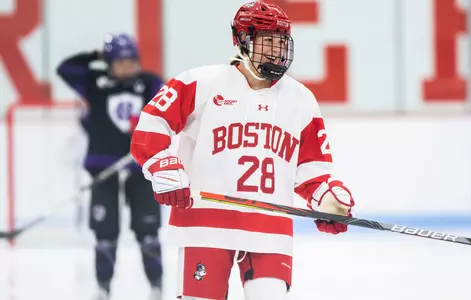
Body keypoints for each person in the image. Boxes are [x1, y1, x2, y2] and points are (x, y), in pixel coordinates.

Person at [130, 2, 355, 299]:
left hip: (269, 230)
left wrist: (328, 200)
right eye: (268, 40)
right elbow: (151, 125)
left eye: (281, 41)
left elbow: (310, 169)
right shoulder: (200, 83)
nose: (276, 50)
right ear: (243, 40)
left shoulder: (301, 99)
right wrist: (163, 166)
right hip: (205, 225)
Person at [56, 33, 164, 300]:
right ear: (109, 62)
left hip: (140, 168)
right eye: (120, 60)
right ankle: (103, 288)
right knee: (105, 234)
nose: (128, 66)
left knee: (148, 231)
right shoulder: (94, 83)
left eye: (132, 60)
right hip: (103, 169)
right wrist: (95, 56)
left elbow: (168, 113)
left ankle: (156, 286)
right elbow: (65, 69)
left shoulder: (149, 83)